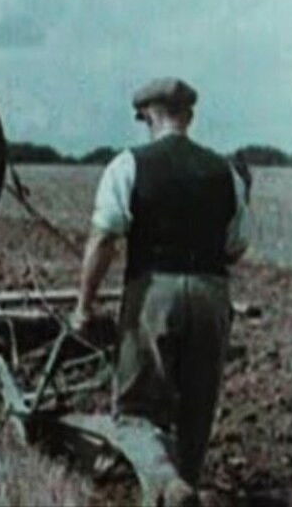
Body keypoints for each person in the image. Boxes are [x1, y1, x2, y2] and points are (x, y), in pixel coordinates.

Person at [71, 77, 250, 503]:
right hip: (211, 294)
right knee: (197, 408)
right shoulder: (226, 172)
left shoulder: (128, 166)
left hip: (153, 294)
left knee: (136, 414)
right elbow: (236, 245)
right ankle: (187, 481)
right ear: (188, 116)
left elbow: (104, 239)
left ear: (148, 116)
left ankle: (165, 486)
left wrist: (84, 305)